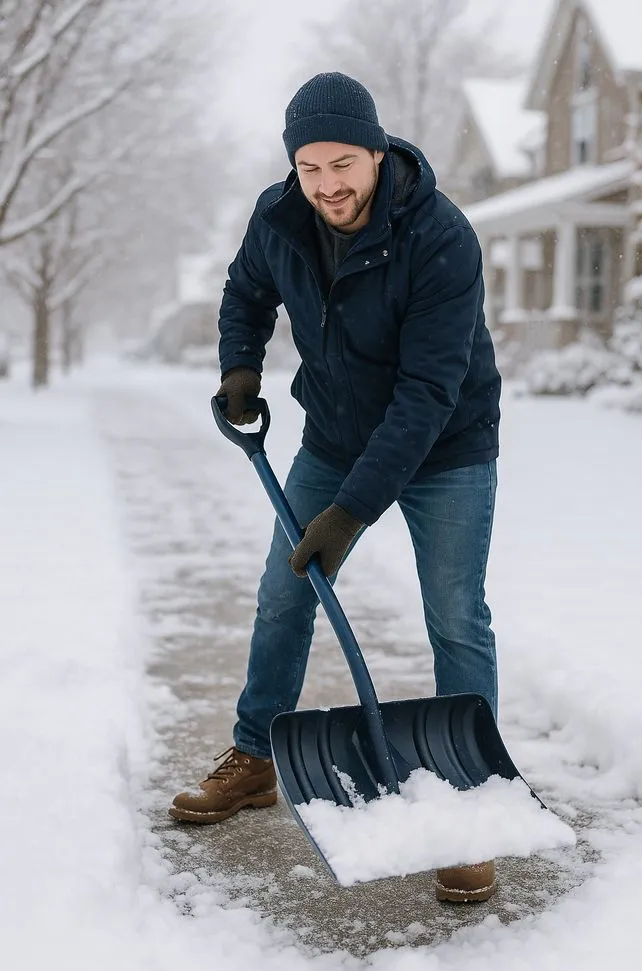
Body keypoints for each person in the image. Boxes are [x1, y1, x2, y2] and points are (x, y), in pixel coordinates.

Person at [170, 72, 501, 904]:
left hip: (446, 446)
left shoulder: (440, 236)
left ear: (378, 151)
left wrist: (350, 513)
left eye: (343, 163)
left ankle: (472, 803)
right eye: (310, 168)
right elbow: (245, 290)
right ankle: (253, 760)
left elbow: (428, 392)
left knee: (455, 615)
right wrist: (240, 367)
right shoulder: (279, 215)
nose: (328, 185)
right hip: (331, 434)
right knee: (283, 596)